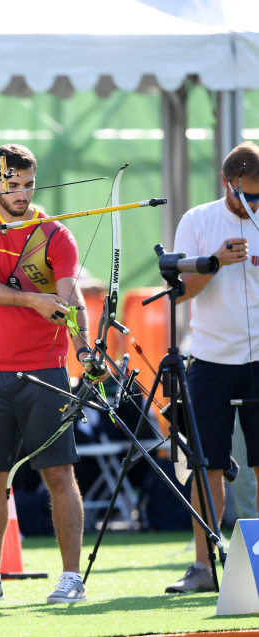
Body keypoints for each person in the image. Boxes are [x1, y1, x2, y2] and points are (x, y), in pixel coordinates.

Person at [0, 144, 96, 605]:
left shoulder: (54, 235)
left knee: (59, 472)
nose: (21, 192)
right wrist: (34, 299)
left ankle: (71, 578)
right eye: (11, 184)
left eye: (28, 183)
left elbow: (72, 296)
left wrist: (84, 346)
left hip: (46, 370)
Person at [166, 141, 259, 593]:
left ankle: (257, 566)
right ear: (228, 184)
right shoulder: (198, 220)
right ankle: (204, 567)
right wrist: (216, 262)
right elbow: (177, 292)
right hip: (208, 359)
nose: (255, 205)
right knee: (208, 465)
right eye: (248, 196)